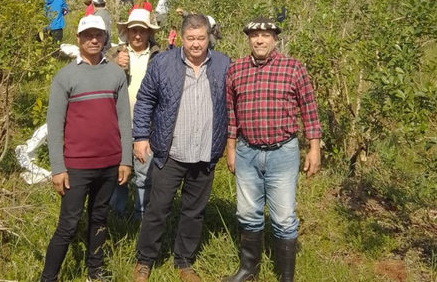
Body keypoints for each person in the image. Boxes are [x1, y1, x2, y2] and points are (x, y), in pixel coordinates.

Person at [132, 14, 231, 282]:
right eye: (191, 39)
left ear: (209, 37)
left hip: (205, 153)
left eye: (201, 38)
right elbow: (145, 100)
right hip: (170, 152)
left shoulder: (223, 64)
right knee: (157, 208)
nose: (196, 44)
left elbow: (232, 104)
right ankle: (144, 260)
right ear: (182, 38)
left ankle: (184, 262)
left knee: (194, 211)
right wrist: (140, 136)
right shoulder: (164, 62)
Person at [223, 16, 322, 282]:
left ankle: (285, 277)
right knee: (247, 212)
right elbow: (231, 115)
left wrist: (314, 149)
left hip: (282, 152)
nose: (260, 39)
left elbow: (309, 111)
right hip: (247, 151)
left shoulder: (293, 68)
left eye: (266, 35)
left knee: (284, 217)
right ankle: (249, 270)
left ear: (275, 39)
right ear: (248, 39)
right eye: (255, 35)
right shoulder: (236, 69)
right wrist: (230, 148)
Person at [40, 14, 132, 282]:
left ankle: (96, 270)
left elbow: (124, 120)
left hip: (109, 164)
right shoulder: (65, 76)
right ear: (78, 39)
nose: (94, 39)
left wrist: (125, 160)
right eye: (88, 35)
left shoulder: (116, 73)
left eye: (99, 35)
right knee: (68, 225)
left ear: (105, 38)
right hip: (77, 166)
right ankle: (49, 277)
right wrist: (58, 168)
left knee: (99, 218)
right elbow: (54, 126)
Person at [106, 8, 160, 219]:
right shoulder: (113, 54)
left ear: (149, 33)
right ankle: (117, 213)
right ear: (127, 32)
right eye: (133, 30)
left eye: (142, 31)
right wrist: (115, 65)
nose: (138, 35)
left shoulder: (158, 56)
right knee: (117, 171)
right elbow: (100, 79)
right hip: (117, 123)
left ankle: (142, 215)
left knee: (144, 172)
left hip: (147, 125)